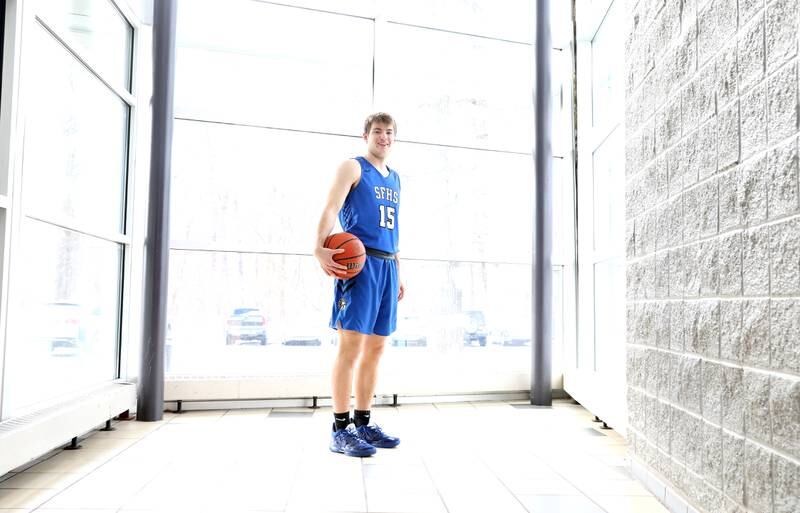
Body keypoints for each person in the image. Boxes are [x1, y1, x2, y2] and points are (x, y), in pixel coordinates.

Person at [314, 112, 404, 457]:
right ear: (366, 135)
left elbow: (393, 230)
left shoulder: (395, 178)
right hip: (360, 266)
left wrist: (399, 269)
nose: (384, 137)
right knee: (350, 347)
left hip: (387, 265)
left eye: (389, 132)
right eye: (378, 131)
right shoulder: (353, 168)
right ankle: (340, 428)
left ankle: (364, 422)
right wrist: (318, 247)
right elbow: (331, 207)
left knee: (377, 349)